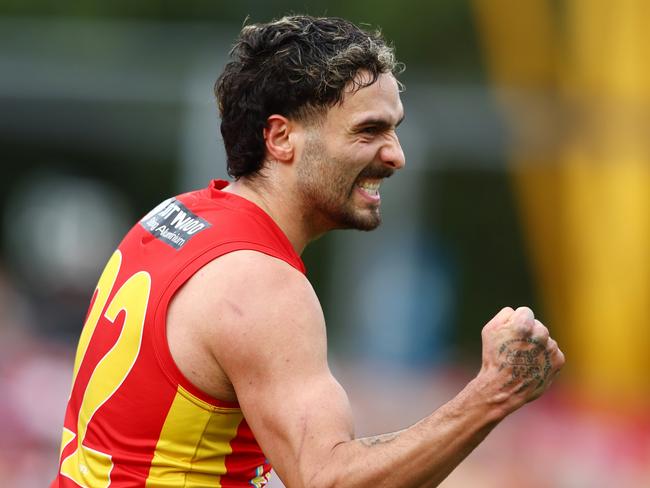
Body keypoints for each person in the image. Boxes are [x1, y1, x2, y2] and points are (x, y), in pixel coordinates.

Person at [52, 15, 565, 488]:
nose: (396, 155)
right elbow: (328, 480)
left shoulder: (176, 217)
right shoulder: (259, 282)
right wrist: (493, 393)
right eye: (369, 131)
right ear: (281, 137)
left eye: (394, 129)